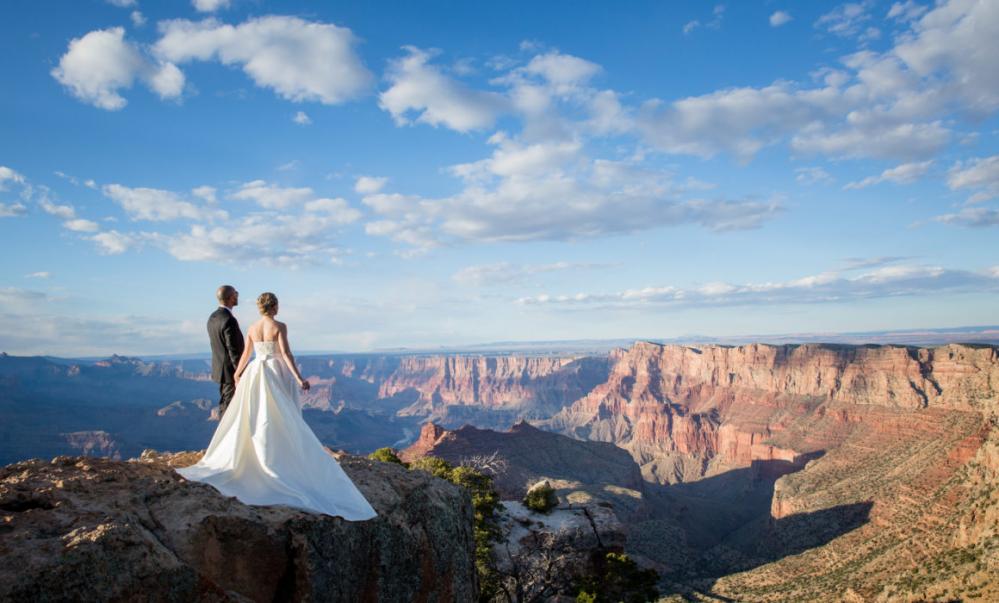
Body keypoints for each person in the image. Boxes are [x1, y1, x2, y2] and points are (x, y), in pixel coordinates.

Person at [178, 292, 378, 520]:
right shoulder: (280, 326)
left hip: (256, 371)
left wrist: (238, 373)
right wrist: (299, 378)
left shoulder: (253, 328)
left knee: (257, 415)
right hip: (275, 371)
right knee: (280, 416)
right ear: (274, 307)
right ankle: (279, 455)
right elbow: (286, 354)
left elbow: (246, 354)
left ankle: (257, 454)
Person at [207, 285, 244, 417]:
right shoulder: (229, 320)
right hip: (230, 372)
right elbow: (233, 350)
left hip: (219, 370)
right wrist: (240, 373)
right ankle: (225, 435)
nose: (237, 296)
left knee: (225, 403)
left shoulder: (213, 317)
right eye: (236, 294)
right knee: (229, 407)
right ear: (230, 298)